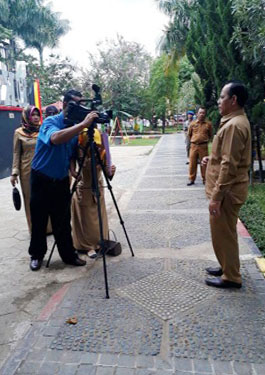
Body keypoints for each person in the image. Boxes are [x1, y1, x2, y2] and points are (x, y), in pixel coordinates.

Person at [28, 89, 99, 271]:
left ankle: (68, 255)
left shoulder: (76, 127)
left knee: (63, 220)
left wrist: (72, 166)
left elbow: (72, 151)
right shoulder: (51, 122)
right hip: (41, 179)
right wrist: (83, 124)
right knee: (39, 220)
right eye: (75, 104)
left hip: (60, 180)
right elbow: (56, 139)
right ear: (66, 104)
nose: (79, 108)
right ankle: (36, 255)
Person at [202, 80, 251, 289]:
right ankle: (226, 266)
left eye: (222, 97)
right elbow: (225, 157)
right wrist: (209, 160)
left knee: (225, 233)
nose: (219, 101)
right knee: (223, 233)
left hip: (227, 194)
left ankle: (232, 277)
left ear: (233, 100)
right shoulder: (233, 122)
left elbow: (230, 166)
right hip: (228, 191)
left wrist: (216, 197)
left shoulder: (234, 125)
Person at [71, 127, 116, 259]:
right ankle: (87, 246)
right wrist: (73, 172)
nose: (94, 147)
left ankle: (101, 242)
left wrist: (111, 171)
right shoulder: (78, 148)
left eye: (96, 144)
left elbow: (108, 172)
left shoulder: (102, 150)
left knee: (99, 218)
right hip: (84, 189)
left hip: (99, 188)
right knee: (86, 220)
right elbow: (71, 163)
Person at [10, 106, 42, 232]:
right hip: (26, 172)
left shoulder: (43, 130)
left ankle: (48, 227)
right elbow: (16, 153)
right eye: (32, 115)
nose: (35, 117)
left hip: (42, 169)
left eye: (37, 115)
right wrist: (14, 173)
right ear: (26, 116)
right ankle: (35, 229)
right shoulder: (19, 132)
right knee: (30, 200)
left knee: (43, 198)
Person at [187, 107, 212, 185]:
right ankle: (191, 179)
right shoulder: (193, 124)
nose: (202, 114)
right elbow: (189, 134)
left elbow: (210, 135)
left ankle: (205, 179)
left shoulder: (208, 124)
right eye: (200, 112)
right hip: (194, 146)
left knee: (204, 164)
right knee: (192, 163)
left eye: (203, 113)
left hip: (203, 146)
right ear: (197, 114)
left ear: (205, 114)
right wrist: (194, 141)